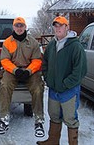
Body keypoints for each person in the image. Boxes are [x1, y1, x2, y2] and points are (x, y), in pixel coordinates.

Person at [37, 16, 87, 145]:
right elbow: (45, 62)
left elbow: (80, 71)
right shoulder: (52, 44)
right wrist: (48, 78)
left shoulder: (76, 46)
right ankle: (53, 141)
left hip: (69, 90)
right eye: (56, 26)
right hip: (54, 89)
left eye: (61, 25)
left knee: (70, 118)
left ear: (67, 27)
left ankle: (73, 143)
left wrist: (65, 84)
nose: (58, 28)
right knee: (54, 115)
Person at [0, 17, 45, 137]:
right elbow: (4, 60)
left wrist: (28, 71)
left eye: (21, 25)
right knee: (5, 85)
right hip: (13, 71)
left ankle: (39, 121)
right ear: (13, 27)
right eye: (17, 26)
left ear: (25, 27)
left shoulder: (33, 42)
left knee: (38, 87)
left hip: (29, 71)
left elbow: (37, 60)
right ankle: (3, 119)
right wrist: (15, 70)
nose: (19, 28)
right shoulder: (7, 42)